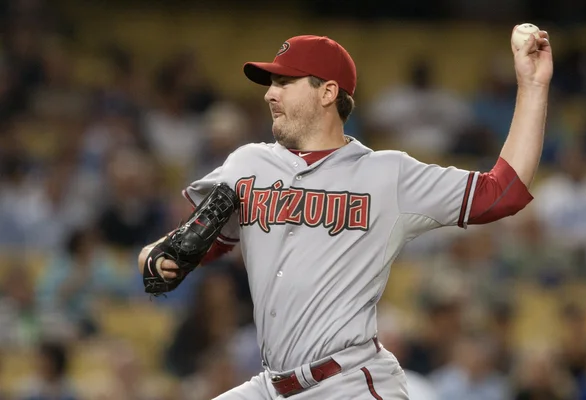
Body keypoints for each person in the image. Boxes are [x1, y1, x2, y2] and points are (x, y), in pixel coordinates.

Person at [138, 28, 553, 399]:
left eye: (284, 81)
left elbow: (503, 192)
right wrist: (158, 256)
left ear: (328, 92)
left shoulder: (387, 175)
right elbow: (188, 250)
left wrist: (532, 86)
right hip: (271, 385)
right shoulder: (248, 164)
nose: (269, 93)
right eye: (270, 82)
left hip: (349, 383)